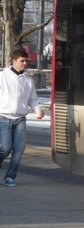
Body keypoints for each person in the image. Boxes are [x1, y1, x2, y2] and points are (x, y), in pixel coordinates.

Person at [0, 48, 44, 187]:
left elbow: (32, 99)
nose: (25, 64)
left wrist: (37, 110)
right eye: (22, 61)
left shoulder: (28, 80)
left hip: (20, 119)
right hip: (4, 117)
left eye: (26, 61)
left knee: (19, 149)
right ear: (14, 61)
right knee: (6, 148)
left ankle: (10, 177)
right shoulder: (2, 77)